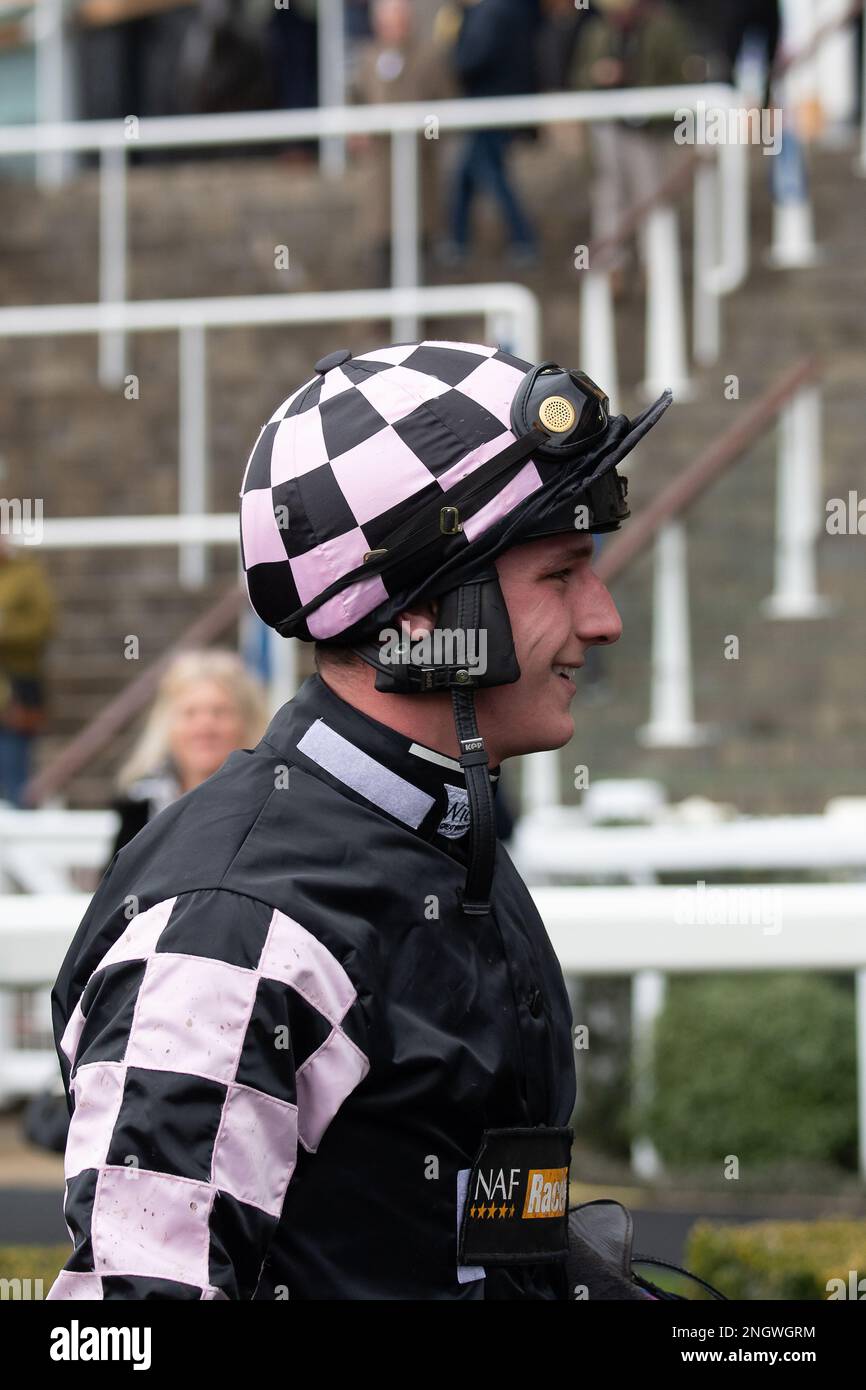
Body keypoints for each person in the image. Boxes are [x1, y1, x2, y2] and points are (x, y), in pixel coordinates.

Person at [46, 339, 675, 1300]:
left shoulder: (444, 832)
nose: (604, 619)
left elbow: (473, 1246)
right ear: (423, 614)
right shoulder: (234, 922)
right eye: (562, 575)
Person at [570, 0, 696, 283]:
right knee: (608, 193)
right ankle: (612, 266)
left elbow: (679, 78)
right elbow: (577, 78)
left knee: (650, 193)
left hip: (647, 129)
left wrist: (648, 100)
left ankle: (656, 265)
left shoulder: (662, 30)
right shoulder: (597, 33)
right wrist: (596, 77)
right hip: (607, 125)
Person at [107, 648, 269, 862]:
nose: (204, 726)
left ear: (246, 722)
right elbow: (115, 886)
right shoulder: (139, 807)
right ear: (167, 725)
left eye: (220, 712)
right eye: (190, 713)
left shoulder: (270, 802)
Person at [349, 0, 455, 284]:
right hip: (379, 170)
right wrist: (358, 130)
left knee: (421, 243)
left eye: (398, 19)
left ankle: (427, 318)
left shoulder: (430, 57)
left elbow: (447, 107)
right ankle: (382, 320)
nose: (393, 26)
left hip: (420, 166)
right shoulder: (368, 58)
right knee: (381, 245)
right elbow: (355, 100)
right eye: (387, 20)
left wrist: (426, 136)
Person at [437, 0, 543, 266]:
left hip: (491, 109)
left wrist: (451, 40)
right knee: (467, 174)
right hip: (495, 108)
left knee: (490, 174)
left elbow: (468, 61)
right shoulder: (504, 9)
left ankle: (523, 239)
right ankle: (458, 240)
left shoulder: (491, 13)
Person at [0, 537, 56, 808]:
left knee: (15, 783)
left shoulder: (26, 572)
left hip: (14, 696)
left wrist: (5, 629)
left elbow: (44, 624)